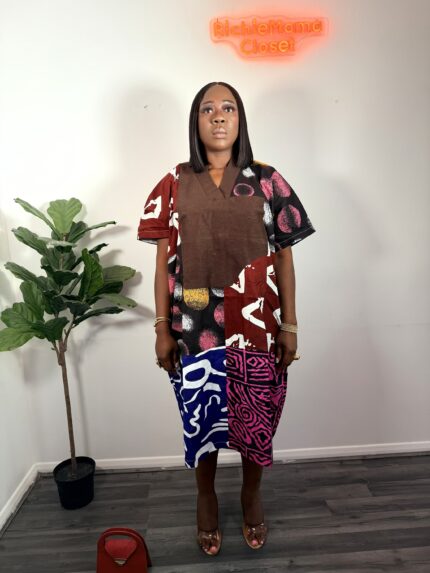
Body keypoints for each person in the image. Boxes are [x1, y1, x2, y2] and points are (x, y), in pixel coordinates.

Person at [137, 81, 315, 556]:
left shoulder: (268, 180)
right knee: (203, 419)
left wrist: (290, 324)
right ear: (195, 121)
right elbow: (162, 265)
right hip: (195, 331)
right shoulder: (173, 183)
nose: (219, 116)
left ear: (240, 120)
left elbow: (284, 258)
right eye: (208, 109)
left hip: (257, 328)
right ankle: (206, 497)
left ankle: (251, 493)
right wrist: (161, 328)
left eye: (229, 108)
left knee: (256, 418)